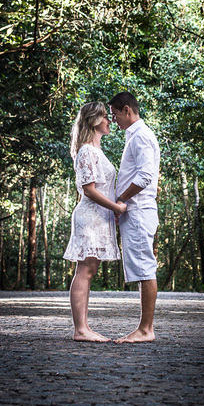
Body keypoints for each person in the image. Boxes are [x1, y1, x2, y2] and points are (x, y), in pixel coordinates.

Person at [62, 101, 128, 342]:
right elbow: (88, 190)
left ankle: (84, 327)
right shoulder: (86, 151)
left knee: (89, 270)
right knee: (85, 269)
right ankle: (81, 329)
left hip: (100, 217)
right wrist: (116, 207)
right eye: (105, 117)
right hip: (90, 216)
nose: (110, 121)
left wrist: (114, 210)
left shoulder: (95, 150)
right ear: (94, 120)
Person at [108, 91, 161, 343]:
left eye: (115, 114)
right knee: (141, 268)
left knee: (145, 267)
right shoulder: (135, 136)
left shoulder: (141, 136)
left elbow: (145, 177)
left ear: (127, 110)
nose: (113, 120)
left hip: (138, 211)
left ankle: (146, 329)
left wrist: (121, 200)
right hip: (136, 211)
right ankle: (144, 327)